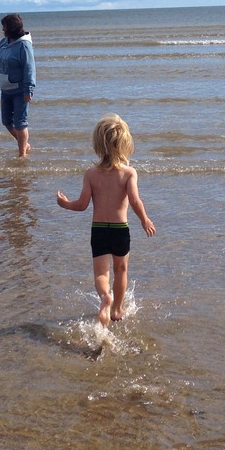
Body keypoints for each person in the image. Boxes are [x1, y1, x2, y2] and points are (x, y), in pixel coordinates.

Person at [57, 114, 155, 327]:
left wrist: (64, 204)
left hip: (99, 230)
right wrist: (144, 219)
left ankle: (105, 297)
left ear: (98, 145)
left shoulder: (91, 174)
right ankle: (117, 309)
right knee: (121, 269)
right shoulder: (129, 173)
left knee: (101, 273)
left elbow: (82, 205)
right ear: (125, 144)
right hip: (120, 229)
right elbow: (135, 201)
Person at [0, 13, 36, 157]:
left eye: (4, 27)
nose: (2, 30)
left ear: (11, 28)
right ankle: (25, 144)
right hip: (5, 90)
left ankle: (22, 154)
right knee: (6, 121)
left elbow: (29, 68)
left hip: (19, 91)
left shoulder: (24, 45)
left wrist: (29, 89)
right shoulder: (3, 42)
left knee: (20, 123)